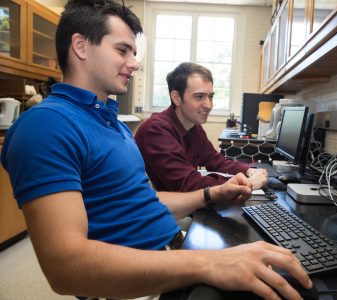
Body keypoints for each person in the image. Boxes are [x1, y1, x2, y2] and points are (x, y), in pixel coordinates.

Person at [0, 0, 312, 299]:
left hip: (173, 251)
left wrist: (211, 194)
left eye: (134, 52)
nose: (135, 64)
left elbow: (142, 201)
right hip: (145, 282)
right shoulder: (45, 126)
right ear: (80, 46)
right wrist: (210, 263)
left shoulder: (112, 122)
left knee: (293, 269)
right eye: (123, 50)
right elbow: (65, 268)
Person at [135, 62, 268, 192]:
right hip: (161, 212)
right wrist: (245, 183)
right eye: (199, 97)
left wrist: (249, 170)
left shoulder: (194, 128)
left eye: (210, 96)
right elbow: (187, 184)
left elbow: (216, 161)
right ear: (176, 98)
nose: (209, 105)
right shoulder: (155, 130)